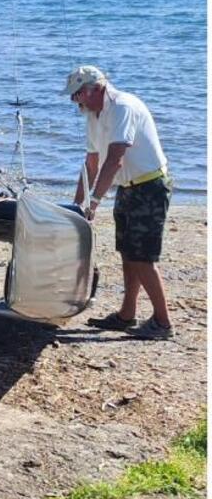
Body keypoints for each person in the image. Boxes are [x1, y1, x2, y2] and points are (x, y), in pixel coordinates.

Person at [68, 65, 174, 340]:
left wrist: (94, 202)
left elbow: (114, 159)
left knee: (143, 257)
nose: (74, 101)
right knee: (127, 253)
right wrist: (76, 206)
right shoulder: (92, 114)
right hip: (127, 188)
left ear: (96, 88)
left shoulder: (122, 107)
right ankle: (127, 315)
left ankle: (163, 323)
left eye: (78, 94)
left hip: (150, 186)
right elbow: (92, 163)